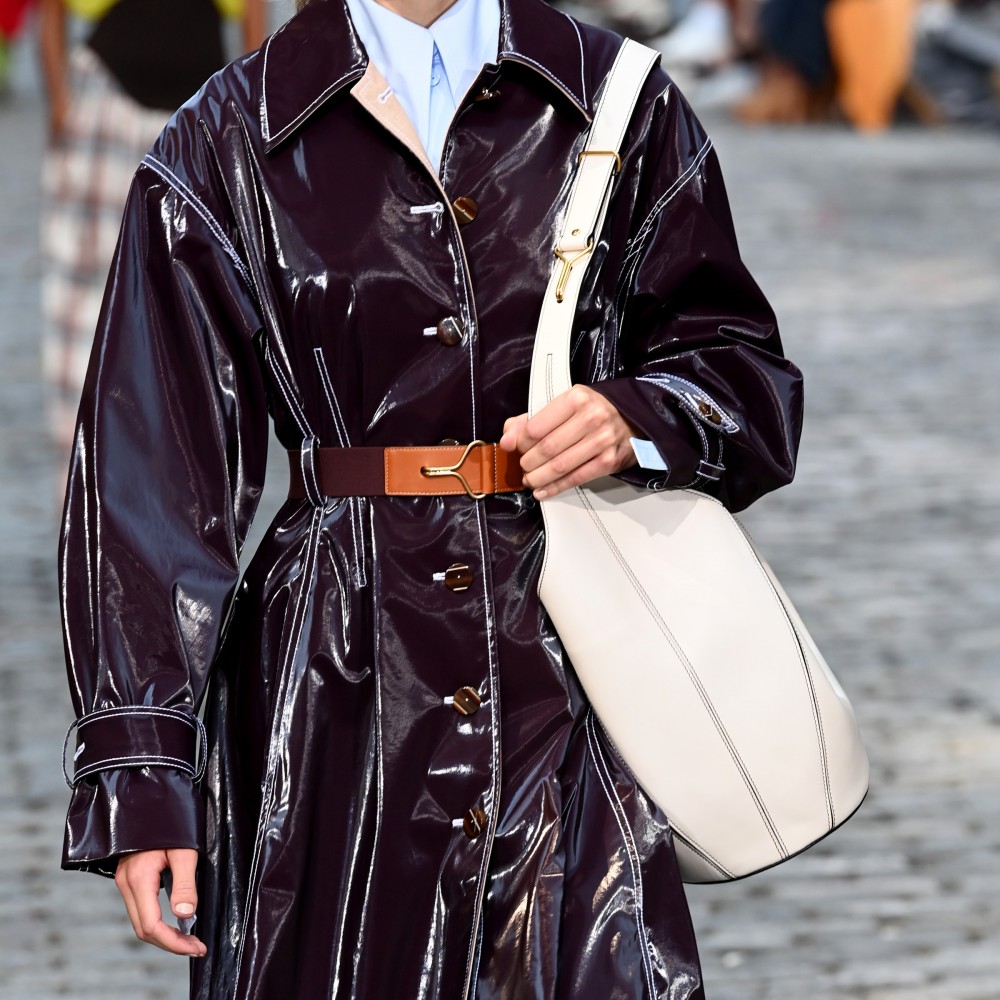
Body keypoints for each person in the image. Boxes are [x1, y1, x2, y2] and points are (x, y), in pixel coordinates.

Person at [58, 0, 803, 996]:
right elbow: (150, 476)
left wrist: (637, 414)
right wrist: (141, 767)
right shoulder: (226, 136)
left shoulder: (616, 100)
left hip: (574, 664)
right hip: (330, 704)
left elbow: (743, 373)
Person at [39, 0, 265, 467]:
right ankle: (83, 486)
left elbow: (254, 15)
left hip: (202, 116)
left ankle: (180, 495)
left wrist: (255, 124)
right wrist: (61, 106)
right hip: (105, 108)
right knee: (84, 316)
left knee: (201, 323)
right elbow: (51, 8)